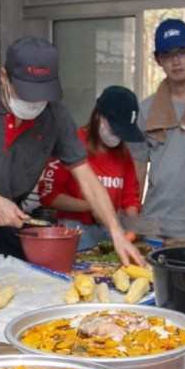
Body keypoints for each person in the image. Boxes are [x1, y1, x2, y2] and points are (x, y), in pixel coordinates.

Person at [0, 37, 141, 268]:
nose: (35, 103)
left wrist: (115, 230)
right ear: (4, 76)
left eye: (42, 94)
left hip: (11, 217)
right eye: (26, 93)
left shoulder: (55, 116)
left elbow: (87, 178)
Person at [36, 85, 144, 250]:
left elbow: (130, 197)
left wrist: (133, 226)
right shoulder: (71, 146)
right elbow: (49, 196)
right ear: (98, 116)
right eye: (115, 129)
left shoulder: (124, 154)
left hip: (110, 229)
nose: (118, 137)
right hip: (76, 229)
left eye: (123, 133)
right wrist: (92, 206)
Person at [136, 19, 185, 240]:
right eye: (168, 55)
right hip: (154, 222)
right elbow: (137, 169)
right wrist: (135, 221)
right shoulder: (146, 109)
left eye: (182, 52)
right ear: (158, 60)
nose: (176, 61)